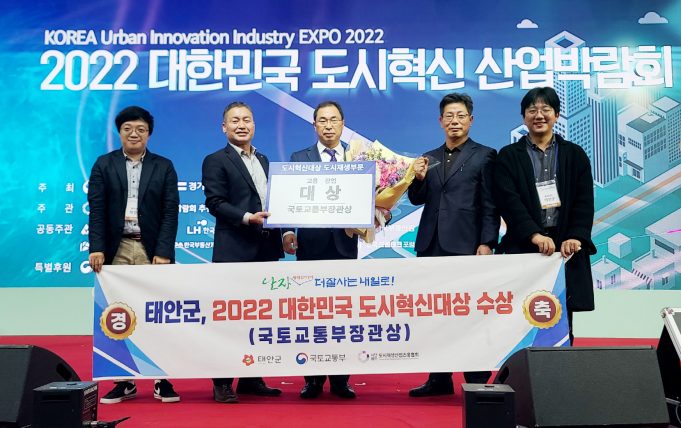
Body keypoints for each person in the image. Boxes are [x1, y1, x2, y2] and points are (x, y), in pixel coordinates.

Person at [406, 93, 499, 397]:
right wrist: (418, 179)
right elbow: (417, 199)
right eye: (449, 116)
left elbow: (490, 204)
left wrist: (487, 242)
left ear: (470, 120)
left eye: (460, 116)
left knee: (469, 313)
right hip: (431, 244)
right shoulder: (428, 157)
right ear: (440, 121)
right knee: (435, 315)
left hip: (466, 244)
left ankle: (477, 377)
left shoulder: (485, 155)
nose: (454, 121)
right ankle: (439, 378)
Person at [88, 106, 180, 404]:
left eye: (141, 129)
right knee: (117, 314)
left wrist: (163, 251)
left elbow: (170, 212)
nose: (134, 134)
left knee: (157, 313)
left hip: (150, 250)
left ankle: (162, 379)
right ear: (119, 132)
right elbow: (97, 210)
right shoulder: (104, 164)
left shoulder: (163, 166)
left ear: (149, 133)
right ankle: (123, 380)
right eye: (128, 128)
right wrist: (97, 247)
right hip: (116, 249)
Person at [494, 86, 596, 343]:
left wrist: (576, 236)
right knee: (519, 318)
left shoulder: (574, 154)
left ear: (557, 115)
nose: (539, 115)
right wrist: (534, 234)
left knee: (561, 317)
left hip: (564, 250)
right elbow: (508, 201)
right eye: (532, 110)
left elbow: (584, 201)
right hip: (523, 247)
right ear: (524, 117)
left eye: (545, 109)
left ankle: (561, 365)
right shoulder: (508, 156)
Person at [202, 101, 284, 404]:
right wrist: (247, 217)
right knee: (229, 320)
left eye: (246, 120)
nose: (241, 125)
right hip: (234, 250)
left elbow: (275, 202)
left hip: (266, 248)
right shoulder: (215, 160)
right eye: (234, 120)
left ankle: (251, 378)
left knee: (260, 317)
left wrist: (286, 232)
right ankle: (222, 382)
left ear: (254, 125)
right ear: (224, 127)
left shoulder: (263, 159)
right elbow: (215, 203)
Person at [282, 101, 358, 399]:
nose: (328, 125)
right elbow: (287, 200)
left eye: (334, 120)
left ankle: (341, 380)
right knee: (310, 313)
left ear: (343, 124)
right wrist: (288, 230)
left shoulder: (356, 158)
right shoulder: (299, 158)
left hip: (344, 246)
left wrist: (380, 214)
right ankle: (312, 379)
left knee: (343, 313)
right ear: (314, 126)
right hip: (310, 247)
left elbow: (372, 198)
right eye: (322, 120)